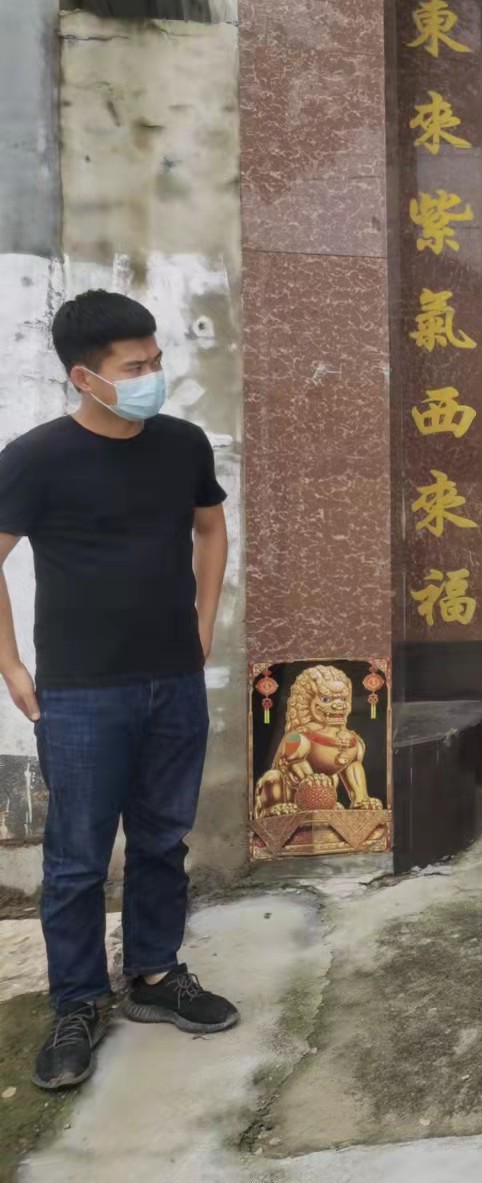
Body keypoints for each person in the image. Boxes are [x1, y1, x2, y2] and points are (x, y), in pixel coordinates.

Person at [0, 291, 237, 1092]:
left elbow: (211, 526)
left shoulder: (180, 444)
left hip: (174, 680)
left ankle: (155, 973)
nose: (152, 375)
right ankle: (75, 1002)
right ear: (84, 377)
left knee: (164, 838)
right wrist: (11, 665)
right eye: (135, 366)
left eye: (156, 360)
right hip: (81, 692)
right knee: (76, 858)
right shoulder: (36, 458)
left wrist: (203, 620)